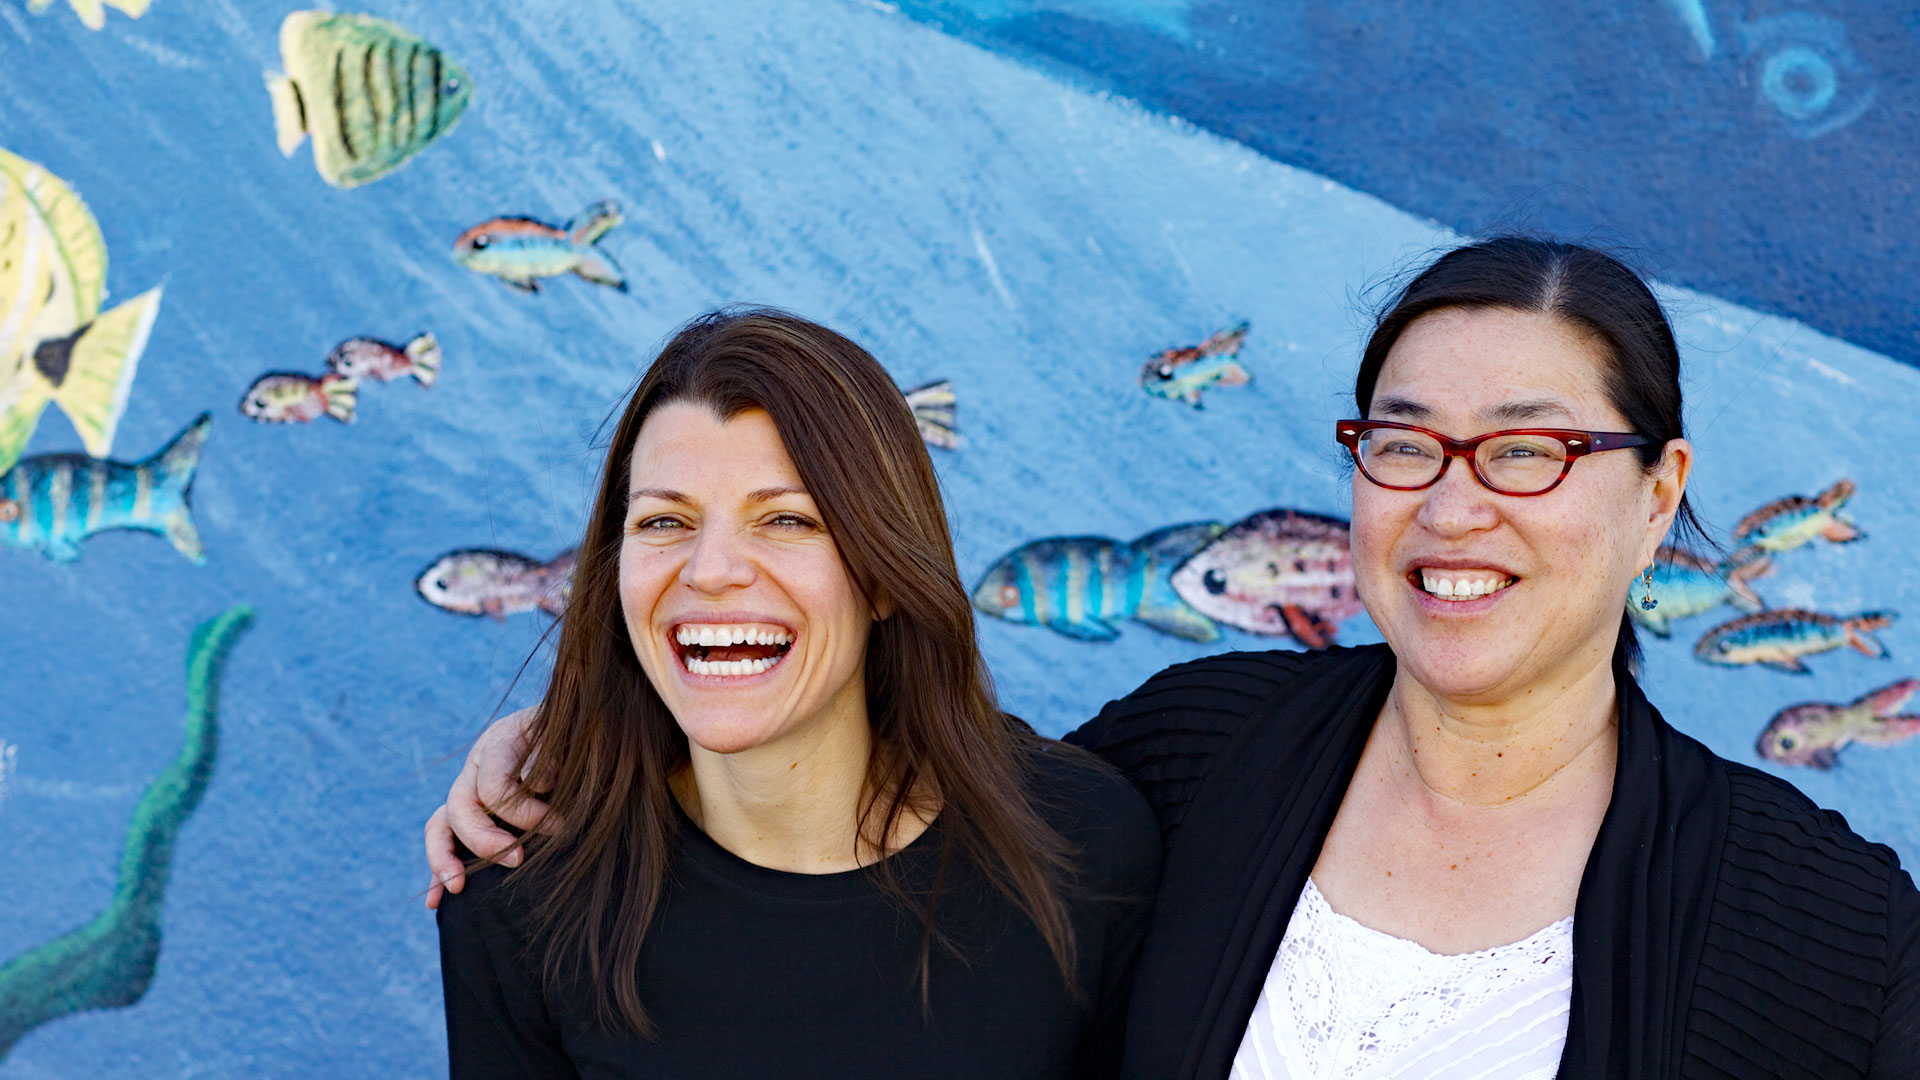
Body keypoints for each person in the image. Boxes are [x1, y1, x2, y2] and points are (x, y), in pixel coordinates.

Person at [431, 239, 1920, 1078]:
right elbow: (891, 811)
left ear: (1659, 494)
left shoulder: (1824, 932)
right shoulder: (1195, 761)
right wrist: (572, 752)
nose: (1454, 503)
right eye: (1405, 444)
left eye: (1528, 451)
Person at [430, 308, 1160, 1079]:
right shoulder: (519, 888)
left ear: (884, 576)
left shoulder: (1084, 845)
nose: (710, 570)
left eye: (785, 519)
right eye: (665, 521)